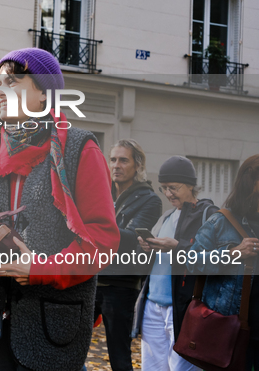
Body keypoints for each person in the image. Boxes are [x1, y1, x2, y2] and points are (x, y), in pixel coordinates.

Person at [0, 48, 119, 370]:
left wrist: (41, 269)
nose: (0, 91)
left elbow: (102, 241)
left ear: (45, 92)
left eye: (13, 81)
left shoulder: (80, 149)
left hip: (51, 327)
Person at [132, 156, 218, 371]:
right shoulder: (167, 215)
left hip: (184, 307)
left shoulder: (209, 215)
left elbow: (213, 258)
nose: (168, 193)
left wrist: (177, 246)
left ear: (191, 184)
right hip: (153, 304)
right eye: (164, 188)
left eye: (173, 187)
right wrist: (148, 248)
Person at [187, 154, 259, 370]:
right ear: (252, 182)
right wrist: (232, 253)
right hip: (232, 327)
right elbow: (191, 261)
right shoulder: (221, 221)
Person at [95, 139, 162, 371]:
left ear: (138, 165)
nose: (116, 165)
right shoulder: (100, 192)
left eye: (123, 160)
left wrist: (92, 226)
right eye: (113, 159)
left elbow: (130, 237)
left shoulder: (150, 199)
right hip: (90, 277)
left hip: (121, 284)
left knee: (119, 355)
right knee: (72, 344)